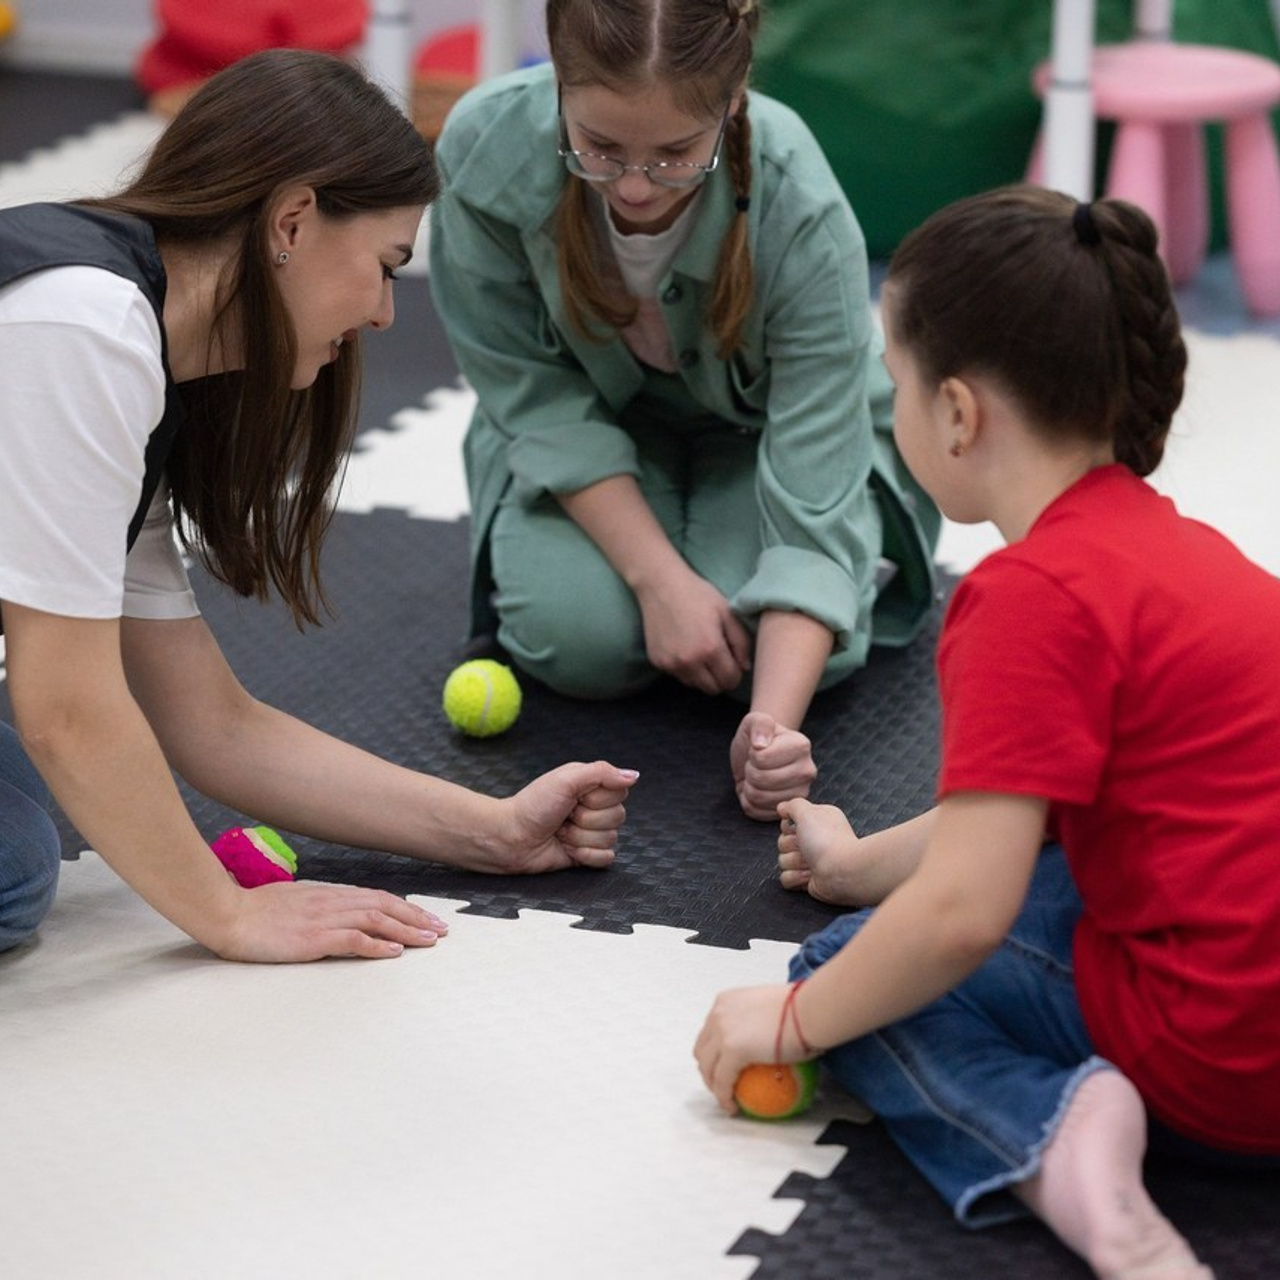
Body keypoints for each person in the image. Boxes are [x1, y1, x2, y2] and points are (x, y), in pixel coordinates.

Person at [694, 185, 1280, 1279]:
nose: (893, 405)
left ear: (957, 413)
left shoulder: (1029, 593)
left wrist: (791, 1019)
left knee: (845, 974)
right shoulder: (1178, 550)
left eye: (894, 380)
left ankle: (1053, 1143)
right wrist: (851, 859)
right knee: (918, 905)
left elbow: (964, 910)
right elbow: (1037, 812)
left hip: (1223, 1057)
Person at [0, 49, 638, 965]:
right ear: (291, 222)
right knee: (17, 867)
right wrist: (227, 915)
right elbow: (66, 710)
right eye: (384, 265)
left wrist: (492, 831)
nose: (385, 313)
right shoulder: (82, 330)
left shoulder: (129, 356)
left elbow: (212, 723)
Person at [427, 0, 940, 822]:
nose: (633, 186)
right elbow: (532, 394)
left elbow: (818, 459)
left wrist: (771, 731)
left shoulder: (796, 195)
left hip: (763, 438)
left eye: (674, 155)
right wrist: (658, 580)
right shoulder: (485, 146)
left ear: (733, 99)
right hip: (595, 429)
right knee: (576, 646)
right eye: (598, 148)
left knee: (788, 661)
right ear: (557, 80)